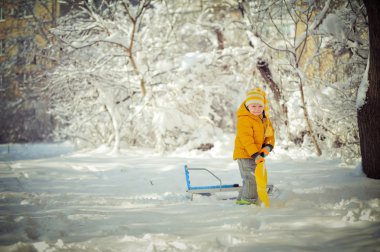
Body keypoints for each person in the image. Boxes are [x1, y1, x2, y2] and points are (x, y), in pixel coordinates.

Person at [233, 87, 275, 205]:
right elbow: (246, 140)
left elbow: (270, 135)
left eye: (260, 106)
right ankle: (248, 202)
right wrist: (255, 154)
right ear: (247, 105)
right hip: (245, 154)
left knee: (251, 178)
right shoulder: (244, 119)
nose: (257, 109)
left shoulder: (264, 119)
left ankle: (242, 200)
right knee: (251, 178)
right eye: (253, 106)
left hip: (256, 154)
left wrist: (267, 147)